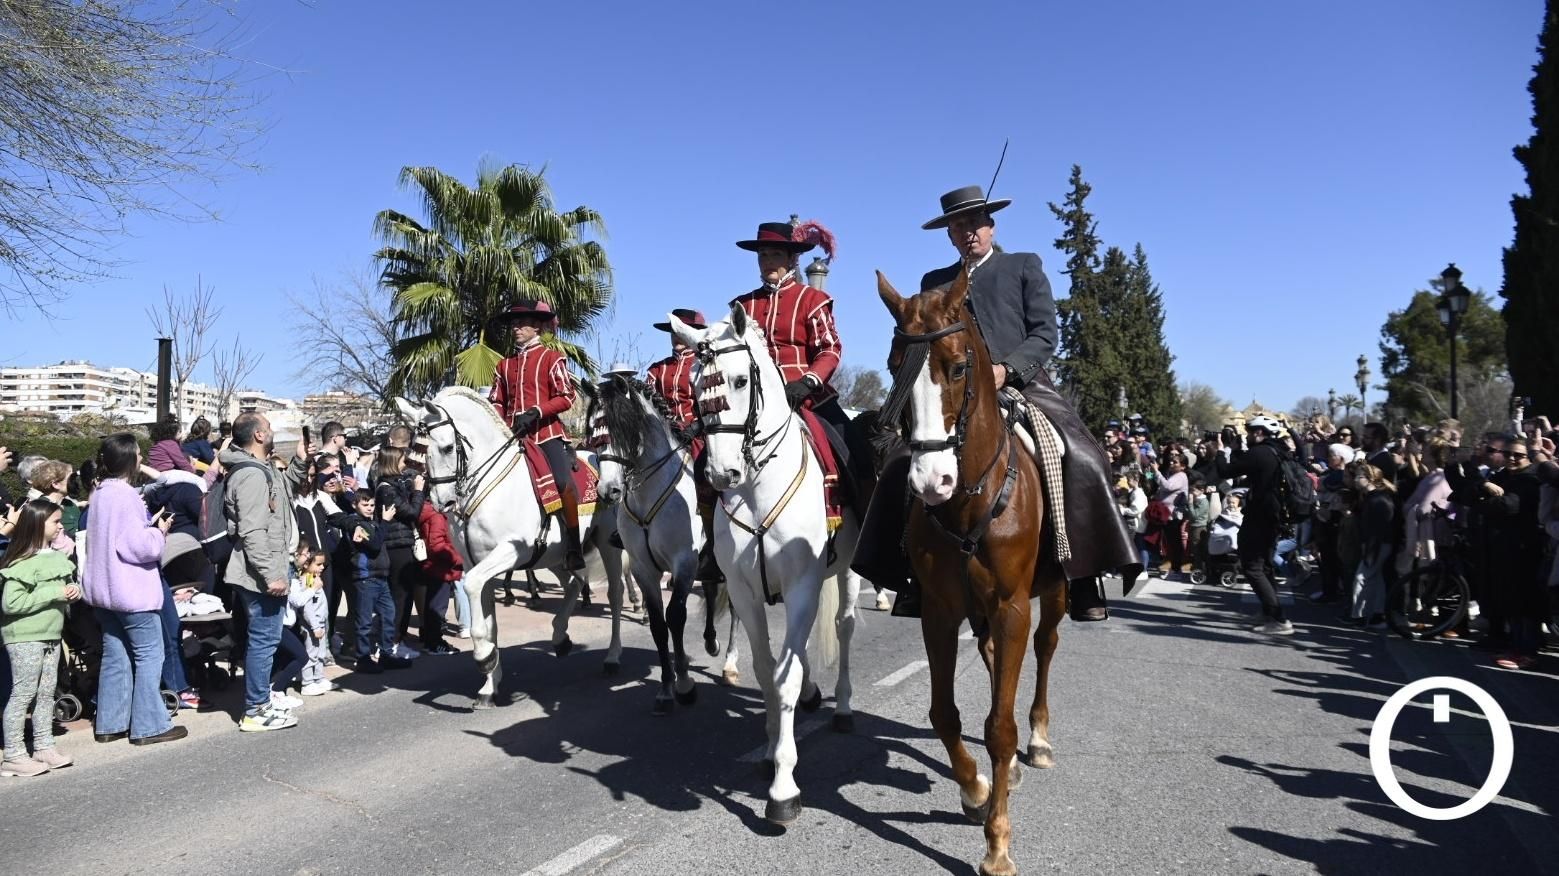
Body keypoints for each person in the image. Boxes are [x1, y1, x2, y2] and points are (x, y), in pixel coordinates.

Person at [857, 185, 1140, 620]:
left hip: (1021, 382)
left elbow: (1046, 334)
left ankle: (1082, 573)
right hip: (952, 389)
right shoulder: (934, 283)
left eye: (975, 223)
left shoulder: (1023, 266)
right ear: (949, 235)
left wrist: (1006, 369)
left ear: (990, 226)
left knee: (1080, 453)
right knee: (900, 461)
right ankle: (905, 570)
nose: (968, 231)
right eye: (958, 225)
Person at [729, 221, 873, 514]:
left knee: (857, 452)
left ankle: (868, 535)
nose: (768, 262)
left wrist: (808, 381)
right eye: (763, 256)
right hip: (752, 400)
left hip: (807, 395)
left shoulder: (813, 299)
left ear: (792, 260)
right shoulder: (742, 305)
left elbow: (830, 349)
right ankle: (710, 545)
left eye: (775, 256)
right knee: (710, 454)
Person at [81, 433, 187, 745]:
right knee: (149, 655)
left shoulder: (99, 493)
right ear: (129, 459)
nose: (141, 458)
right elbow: (138, 547)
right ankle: (149, 725)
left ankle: (110, 722)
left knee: (116, 655)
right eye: (138, 454)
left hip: (105, 591)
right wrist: (158, 532)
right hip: (130, 591)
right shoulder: (125, 496)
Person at [220, 413, 307, 733]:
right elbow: (253, 531)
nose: (273, 432)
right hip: (261, 571)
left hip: (267, 566)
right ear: (258, 435)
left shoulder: (263, 469)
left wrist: (298, 462)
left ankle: (261, 703)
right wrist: (272, 574)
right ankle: (256, 709)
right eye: (268, 428)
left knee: (266, 640)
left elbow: (284, 494)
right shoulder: (251, 476)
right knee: (263, 641)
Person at [489, 298, 585, 570]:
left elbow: (567, 396)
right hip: (511, 437)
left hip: (546, 435)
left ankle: (574, 546)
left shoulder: (552, 358)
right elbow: (497, 400)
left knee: (562, 482)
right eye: (513, 324)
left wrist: (536, 411)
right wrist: (498, 421)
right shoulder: (503, 366)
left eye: (521, 323)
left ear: (537, 327)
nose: (516, 328)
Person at [0, 499, 81, 776]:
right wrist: (55, 594)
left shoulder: (53, 557)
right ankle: (13, 754)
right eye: (55, 522)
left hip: (50, 634)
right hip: (24, 636)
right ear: (37, 524)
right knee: (23, 693)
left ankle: (44, 745)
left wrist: (71, 590)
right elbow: (12, 603)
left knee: (46, 693)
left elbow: (61, 584)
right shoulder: (22, 561)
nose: (60, 526)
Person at [646, 307, 722, 579]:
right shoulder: (657, 369)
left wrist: (697, 425)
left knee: (708, 481)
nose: (676, 337)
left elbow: (715, 402)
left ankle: (714, 546)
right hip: (664, 438)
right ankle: (628, 527)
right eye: (673, 332)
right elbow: (647, 405)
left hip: (698, 436)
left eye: (681, 332)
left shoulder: (706, 364)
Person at [1214, 415, 1294, 635]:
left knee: (1252, 567)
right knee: (1265, 566)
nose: (1247, 435)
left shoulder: (1259, 453)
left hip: (1260, 517)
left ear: (1259, 433)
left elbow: (1226, 471)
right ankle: (1269, 612)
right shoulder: (1279, 450)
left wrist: (1222, 450)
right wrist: (1238, 448)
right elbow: (1249, 467)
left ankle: (1279, 619)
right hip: (1274, 516)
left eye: (1250, 432)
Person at [331, 490, 409, 674]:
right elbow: (373, 545)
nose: (369, 508)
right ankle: (363, 657)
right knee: (364, 621)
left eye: (372, 505)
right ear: (355, 505)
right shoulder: (357, 524)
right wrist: (386, 522)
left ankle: (386, 653)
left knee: (388, 616)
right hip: (366, 579)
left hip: (381, 577)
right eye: (365, 505)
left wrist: (381, 523)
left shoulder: (373, 522)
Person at [371, 448, 435, 656]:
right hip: (395, 546)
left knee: (405, 595)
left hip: (403, 542)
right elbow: (411, 513)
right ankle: (390, 643)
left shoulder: (396, 484)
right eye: (401, 460)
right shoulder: (386, 489)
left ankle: (398, 638)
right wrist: (417, 491)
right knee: (399, 596)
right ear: (392, 462)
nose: (405, 464)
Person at [290, 549, 338, 696]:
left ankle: (318, 678)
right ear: (306, 565)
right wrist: (315, 626)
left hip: (321, 623)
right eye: (318, 564)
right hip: (312, 626)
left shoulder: (315, 578)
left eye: (323, 564)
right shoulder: (307, 582)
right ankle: (307, 682)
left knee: (321, 653)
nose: (322, 567)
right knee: (311, 654)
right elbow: (307, 609)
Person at [417, 498, 463, 650]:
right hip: (440, 567)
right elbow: (436, 544)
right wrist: (457, 558)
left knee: (434, 606)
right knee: (437, 608)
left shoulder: (431, 513)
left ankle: (432, 640)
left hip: (436, 566)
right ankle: (434, 643)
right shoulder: (437, 516)